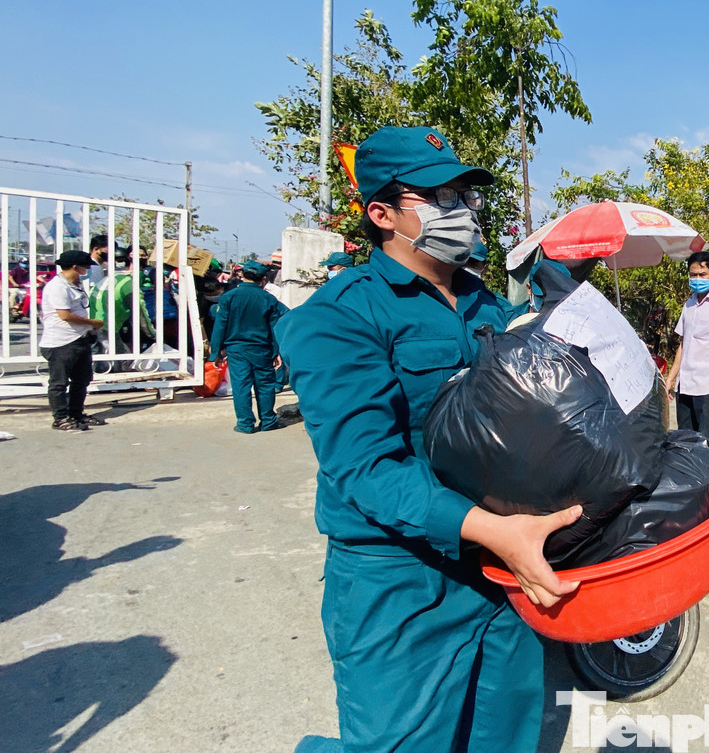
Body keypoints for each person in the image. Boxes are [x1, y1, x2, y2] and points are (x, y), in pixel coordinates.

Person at [277, 126, 574, 753]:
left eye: (465, 194)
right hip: (400, 579)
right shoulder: (339, 317)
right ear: (382, 214)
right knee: (403, 742)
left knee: (507, 732)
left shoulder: (486, 303)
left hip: (502, 566)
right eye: (439, 196)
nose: (462, 209)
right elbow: (364, 466)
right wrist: (490, 530)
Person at [662, 251, 709, 460]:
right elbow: (683, 344)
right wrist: (671, 378)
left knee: (708, 443)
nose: (697, 279)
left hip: (707, 387)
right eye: (693, 275)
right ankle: (692, 488)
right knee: (685, 441)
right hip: (685, 386)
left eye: (702, 275)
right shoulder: (689, 304)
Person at [209, 260, 288, 434]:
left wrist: (216, 352)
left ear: (242, 275)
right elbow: (278, 323)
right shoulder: (268, 299)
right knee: (265, 385)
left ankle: (245, 424)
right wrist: (277, 351)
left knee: (241, 386)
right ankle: (268, 421)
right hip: (262, 349)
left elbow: (220, 326)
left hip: (236, 349)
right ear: (264, 279)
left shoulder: (228, 297)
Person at [39, 250, 106, 432]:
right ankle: (60, 418)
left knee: (82, 379)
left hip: (79, 338)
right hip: (61, 342)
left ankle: (76, 413)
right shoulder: (58, 287)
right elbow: (65, 315)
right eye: (85, 267)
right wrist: (92, 323)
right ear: (75, 267)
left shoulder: (74, 284)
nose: (87, 270)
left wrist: (88, 329)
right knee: (59, 383)